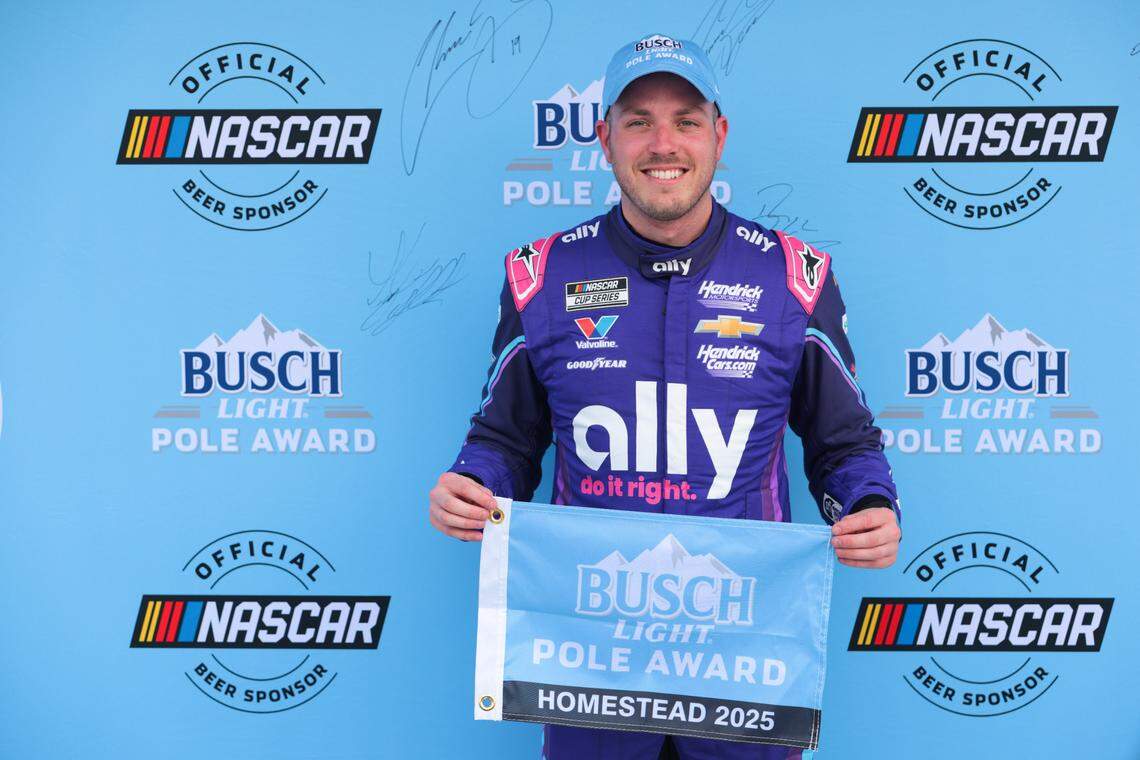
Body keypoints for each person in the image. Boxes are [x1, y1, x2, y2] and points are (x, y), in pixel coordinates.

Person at [429, 32, 901, 760]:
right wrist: (473, 485)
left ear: (718, 135)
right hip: (590, 659)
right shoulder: (541, 274)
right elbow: (506, 442)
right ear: (604, 138)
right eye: (638, 120)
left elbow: (844, 445)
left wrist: (867, 505)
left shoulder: (795, 277)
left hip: (745, 653)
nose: (662, 143)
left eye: (685, 120)